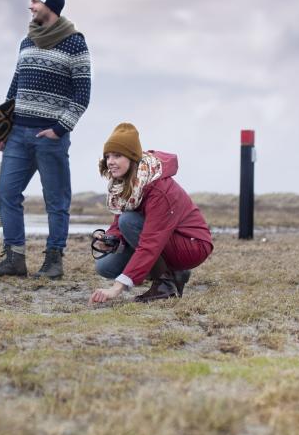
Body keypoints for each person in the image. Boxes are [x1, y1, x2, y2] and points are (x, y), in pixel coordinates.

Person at [0, 0, 91, 280]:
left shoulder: (75, 44)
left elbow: (82, 95)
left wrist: (60, 129)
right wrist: (2, 127)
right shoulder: (26, 41)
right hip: (18, 134)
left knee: (56, 201)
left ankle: (54, 260)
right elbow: (15, 86)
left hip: (50, 137)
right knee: (6, 192)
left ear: (50, 5)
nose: (31, 6)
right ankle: (14, 258)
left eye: (35, 1)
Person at [89, 123, 213, 303]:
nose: (110, 162)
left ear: (132, 157)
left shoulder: (158, 188)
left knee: (128, 221)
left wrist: (117, 288)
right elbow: (119, 224)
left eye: (117, 155)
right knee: (105, 266)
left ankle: (165, 286)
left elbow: (150, 240)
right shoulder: (128, 183)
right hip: (165, 240)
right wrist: (109, 239)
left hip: (192, 245)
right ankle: (174, 272)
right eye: (107, 156)